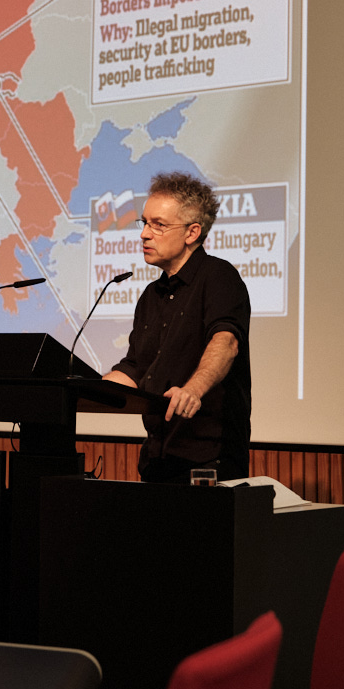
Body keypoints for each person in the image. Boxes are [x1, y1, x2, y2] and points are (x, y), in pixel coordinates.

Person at [103, 172, 252, 483]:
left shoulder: (218, 277)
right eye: (143, 223)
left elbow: (226, 342)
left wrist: (192, 391)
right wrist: (87, 390)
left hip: (208, 462)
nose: (144, 234)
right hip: (157, 460)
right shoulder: (150, 296)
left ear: (191, 232)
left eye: (158, 225)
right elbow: (134, 368)